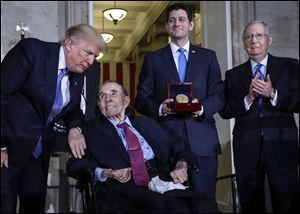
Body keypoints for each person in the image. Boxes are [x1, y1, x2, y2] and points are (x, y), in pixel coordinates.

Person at [67, 80, 219, 213]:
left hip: (160, 180)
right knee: (170, 208)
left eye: (113, 93)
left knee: (205, 205)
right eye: (102, 96)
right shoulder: (91, 131)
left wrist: (181, 163)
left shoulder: (147, 124)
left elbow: (179, 147)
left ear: (126, 101)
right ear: (99, 105)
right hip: (122, 189)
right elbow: (74, 165)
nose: (107, 99)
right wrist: (105, 173)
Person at [1, 24, 107, 213]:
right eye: (88, 53)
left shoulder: (78, 74)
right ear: (69, 44)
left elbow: (74, 110)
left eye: (95, 57)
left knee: (34, 206)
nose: (91, 61)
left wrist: (75, 129)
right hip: (8, 148)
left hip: (38, 154)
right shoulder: (32, 51)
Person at [135, 3, 224, 200]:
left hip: (203, 143)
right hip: (167, 143)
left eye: (182, 19)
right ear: (167, 26)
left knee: (204, 203)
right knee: (172, 204)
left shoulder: (207, 57)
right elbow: (141, 99)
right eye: (172, 20)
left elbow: (218, 94)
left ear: (191, 24)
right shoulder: (153, 59)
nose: (177, 23)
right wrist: (161, 108)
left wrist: (201, 108)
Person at [219, 20, 299, 212]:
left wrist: (273, 94)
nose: (253, 40)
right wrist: (248, 98)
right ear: (244, 43)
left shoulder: (289, 66)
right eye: (248, 37)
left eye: (258, 35)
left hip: (282, 149)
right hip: (247, 152)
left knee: (287, 204)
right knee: (251, 206)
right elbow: (225, 110)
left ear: (268, 39)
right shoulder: (233, 75)